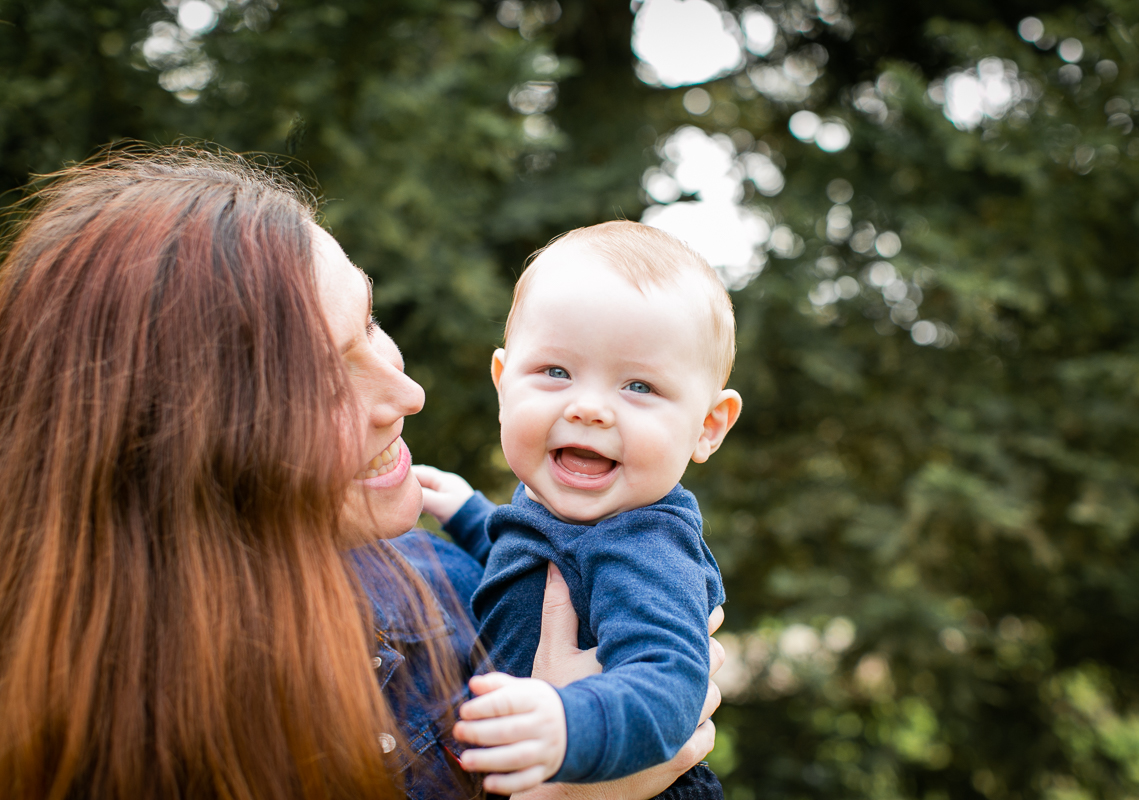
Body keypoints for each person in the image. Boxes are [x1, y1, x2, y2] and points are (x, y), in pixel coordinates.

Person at [0, 149, 720, 800]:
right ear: (181, 445)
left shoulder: (443, 585)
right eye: (323, 374)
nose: (410, 396)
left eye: (371, 320)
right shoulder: (98, 733)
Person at [415, 222, 742, 797]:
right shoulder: (564, 516)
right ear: (502, 384)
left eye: (639, 386)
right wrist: (472, 515)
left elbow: (669, 684)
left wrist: (569, 724)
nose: (589, 408)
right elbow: (540, 574)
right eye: (556, 372)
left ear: (708, 427)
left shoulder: (644, 545)